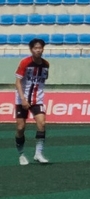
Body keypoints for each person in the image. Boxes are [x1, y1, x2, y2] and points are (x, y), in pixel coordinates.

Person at [15, 38, 50, 166]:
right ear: (31, 49)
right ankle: (21, 154)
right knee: (20, 127)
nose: (38, 50)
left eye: (40, 48)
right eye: (35, 48)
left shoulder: (46, 64)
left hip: (38, 99)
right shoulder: (25, 63)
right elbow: (18, 82)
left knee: (42, 123)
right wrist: (23, 99)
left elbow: (41, 82)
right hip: (22, 98)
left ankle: (38, 153)